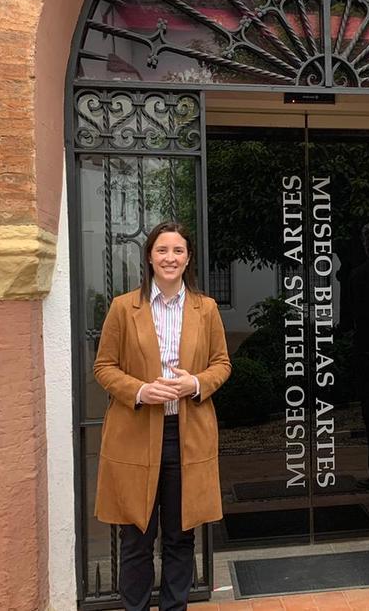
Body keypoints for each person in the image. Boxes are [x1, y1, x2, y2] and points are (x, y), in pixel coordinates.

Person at [93, 222, 231, 611]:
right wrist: (140, 390)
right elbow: (104, 366)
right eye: (162, 250)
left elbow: (222, 363)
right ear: (150, 257)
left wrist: (196, 384)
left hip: (187, 434)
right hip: (136, 431)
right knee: (136, 536)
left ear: (188, 259)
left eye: (178, 251)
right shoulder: (124, 307)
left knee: (180, 535)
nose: (170, 258)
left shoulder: (207, 310)